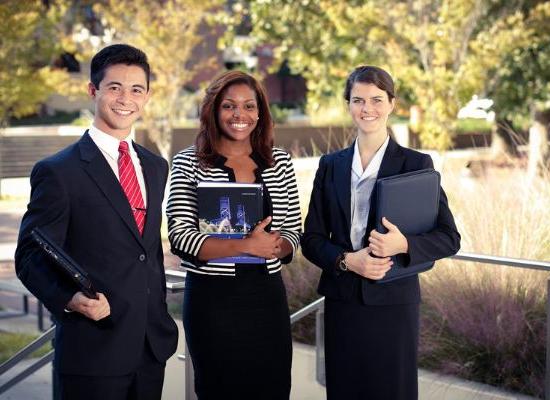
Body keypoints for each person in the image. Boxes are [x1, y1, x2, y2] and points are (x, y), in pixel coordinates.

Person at [15, 44, 178, 400]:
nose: (126, 98)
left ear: (147, 96)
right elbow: (28, 256)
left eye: (137, 89)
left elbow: (144, 252)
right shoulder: (59, 172)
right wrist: (70, 298)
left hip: (151, 348)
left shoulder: (155, 167)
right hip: (92, 349)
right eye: (114, 87)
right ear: (93, 90)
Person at [301, 65, 461, 400]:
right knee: (345, 390)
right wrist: (347, 261)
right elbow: (312, 239)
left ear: (391, 104)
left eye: (376, 99)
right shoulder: (331, 164)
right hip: (343, 302)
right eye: (358, 100)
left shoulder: (416, 164)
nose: (367, 108)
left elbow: (449, 237)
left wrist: (404, 244)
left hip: (394, 303)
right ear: (348, 105)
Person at [166, 70, 301, 399]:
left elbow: (294, 229)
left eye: (248, 106)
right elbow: (181, 237)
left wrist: (276, 246)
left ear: (260, 112)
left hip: (267, 298)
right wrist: (247, 245)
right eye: (229, 106)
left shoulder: (279, 162)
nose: (240, 114)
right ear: (213, 110)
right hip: (213, 302)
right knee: (219, 389)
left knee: (273, 388)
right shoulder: (188, 164)